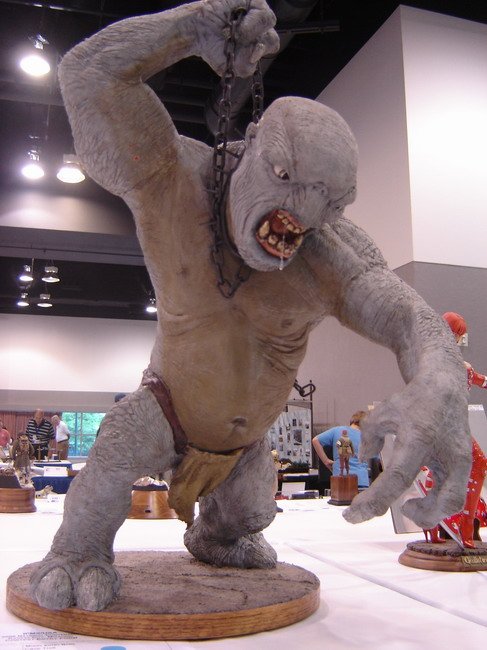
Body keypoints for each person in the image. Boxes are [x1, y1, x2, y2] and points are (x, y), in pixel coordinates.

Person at [29, 0, 471, 613]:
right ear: (253, 143)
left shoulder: (327, 253)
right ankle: (77, 549)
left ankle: (216, 536)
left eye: (330, 203)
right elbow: (88, 74)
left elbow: (406, 316)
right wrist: (188, 28)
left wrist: (441, 376)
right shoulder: (171, 180)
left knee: (251, 515)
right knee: (116, 451)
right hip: (166, 408)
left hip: (248, 446)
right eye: (284, 177)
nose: (302, 218)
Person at [313, 411, 370, 488]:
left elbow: (315, 440)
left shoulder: (337, 430)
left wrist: (326, 461)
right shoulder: (367, 437)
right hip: (361, 480)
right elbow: (377, 460)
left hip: (339, 480)